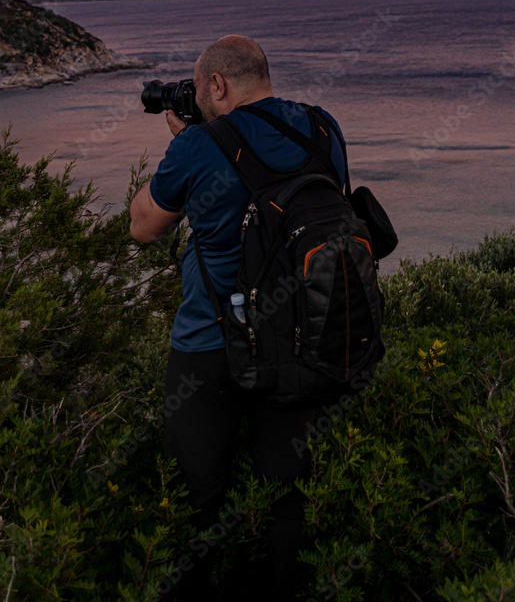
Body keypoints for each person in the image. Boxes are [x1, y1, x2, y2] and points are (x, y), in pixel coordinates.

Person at [129, 35, 347, 602]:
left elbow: (144, 227)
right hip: (303, 341)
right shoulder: (324, 128)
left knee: (195, 495)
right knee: (289, 496)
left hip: (210, 345)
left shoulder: (199, 145)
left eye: (199, 89)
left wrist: (187, 147)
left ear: (218, 86)